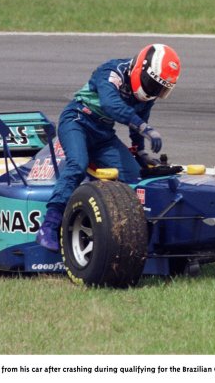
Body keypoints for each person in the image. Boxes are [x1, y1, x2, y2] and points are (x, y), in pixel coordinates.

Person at [36, 43, 181, 251]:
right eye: (153, 84)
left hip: (103, 134)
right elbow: (111, 104)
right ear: (141, 69)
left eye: (162, 89)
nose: (155, 91)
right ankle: (48, 227)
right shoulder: (112, 72)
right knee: (78, 163)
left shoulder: (147, 95)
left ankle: (136, 231)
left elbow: (140, 117)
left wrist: (139, 150)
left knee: (134, 177)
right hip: (77, 120)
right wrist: (144, 127)